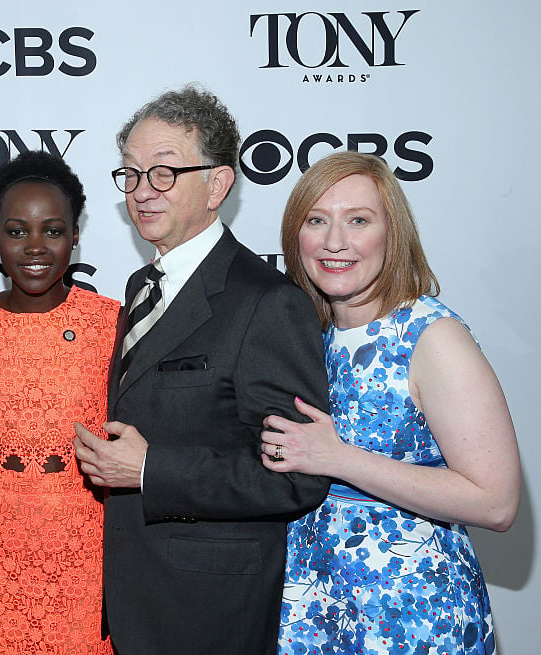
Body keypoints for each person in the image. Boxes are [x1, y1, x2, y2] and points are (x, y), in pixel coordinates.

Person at [72, 85, 331, 654]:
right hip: (135, 597)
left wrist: (149, 470)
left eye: (164, 173)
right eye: (132, 175)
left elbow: (297, 475)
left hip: (209, 613)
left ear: (218, 184)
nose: (143, 192)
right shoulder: (143, 286)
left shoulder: (268, 303)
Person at [263, 151, 520, 654]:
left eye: (358, 220)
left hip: (412, 615)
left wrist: (339, 459)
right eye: (317, 220)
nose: (334, 242)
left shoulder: (431, 336)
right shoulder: (304, 333)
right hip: (312, 613)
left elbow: (496, 501)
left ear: (392, 233)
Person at [0, 151, 118, 655]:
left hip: (85, 564)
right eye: (17, 231)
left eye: (53, 230)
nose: (35, 247)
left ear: (76, 236)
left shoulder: (112, 325)